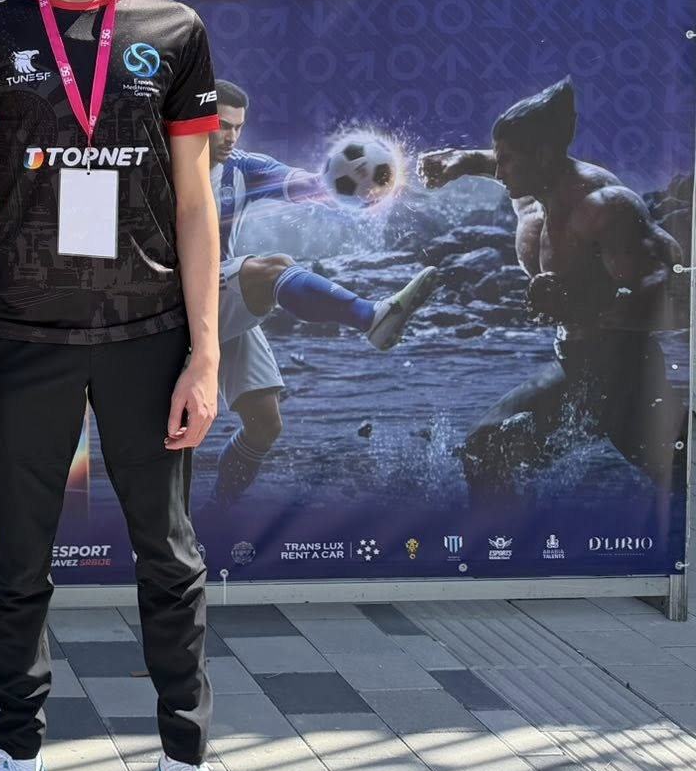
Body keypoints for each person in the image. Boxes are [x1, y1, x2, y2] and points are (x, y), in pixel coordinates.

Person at [0, 0, 246, 771]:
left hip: (145, 336)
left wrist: (205, 354)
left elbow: (195, 202)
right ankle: (17, 756)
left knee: (168, 554)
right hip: (22, 337)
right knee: (19, 558)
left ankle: (183, 764)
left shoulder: (174, 28)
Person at [421, 77, 686, 504]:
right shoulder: (530, 188)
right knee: (485, 452)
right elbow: (497, 160)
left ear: (543, 155)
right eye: (498, 159)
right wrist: (462, 160)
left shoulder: (603, 207)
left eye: (507, 161)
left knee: (683, 477)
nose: (499, 171)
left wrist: (586, 307)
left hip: (625, 377)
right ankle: (503, 544)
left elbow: (678, 296)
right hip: (575, 366)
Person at [206, 80, 440, 504]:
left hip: (218, 293)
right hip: (167, 300)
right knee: (274, 268)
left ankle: (216, 515)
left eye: (238, 127)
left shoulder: (242, 167)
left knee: (264, 426)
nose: (231, 136)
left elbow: (308, 183)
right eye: (222, 125)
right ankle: (369, 317)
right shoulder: (156, 162)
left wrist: (346, 188)